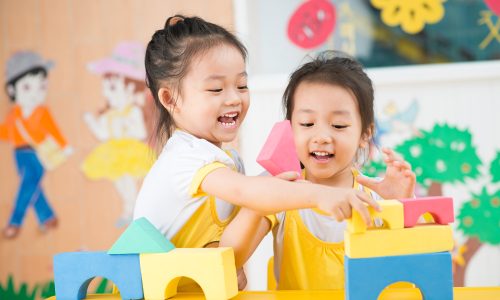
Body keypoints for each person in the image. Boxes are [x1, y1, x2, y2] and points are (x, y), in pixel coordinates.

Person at [132, 16, 379, 290]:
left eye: (241, 85)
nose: (234, 98)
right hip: (147, 288)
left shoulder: (229, 163)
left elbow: (233, 235)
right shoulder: (184, 159)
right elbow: (249, 195)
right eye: (216, 88)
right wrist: (318, 193)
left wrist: (228, 264)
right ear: (170, 99)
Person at [220, 51, 416, 290]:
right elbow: (228, 258)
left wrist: (399, 205)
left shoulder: (376, 195)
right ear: (290, 129)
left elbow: (410, 275)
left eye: (338, 125)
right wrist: (259, 197)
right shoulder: (281, 190)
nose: (321, 136)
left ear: (365, 134)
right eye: (307, 124)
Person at [0, 51, 72, 239]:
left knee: (28, 185)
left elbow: (54, 130)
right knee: (33, 186)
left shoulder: (42, 112)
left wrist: (64, 146)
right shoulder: (14, 114)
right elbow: (7, 132)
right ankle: (48, 217)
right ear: (12, 90)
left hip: (38, 154)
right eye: (26, 87)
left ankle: (15, 222)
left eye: (41, 87)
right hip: (19, 155)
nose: (35, 93)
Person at [82, 42, 154, 227]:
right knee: (120, 182)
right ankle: (129, 209)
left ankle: (135, 210)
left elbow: (139, 132)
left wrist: (126, 125)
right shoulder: (110, 115)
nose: (107, 93)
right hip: (113, 154)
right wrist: (92, 122)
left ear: (131, 88)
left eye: (112, 87)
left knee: (131, 183)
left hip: (130, 152)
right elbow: (103, 134)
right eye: (106, 88)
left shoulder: (133, 112)